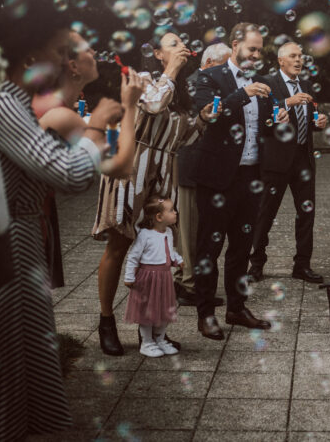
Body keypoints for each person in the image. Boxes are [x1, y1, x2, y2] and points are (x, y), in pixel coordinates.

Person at [0, 0, 119, 441]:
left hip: (15, 245)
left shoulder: (11, 102)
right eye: (57, 49)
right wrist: (99, 123)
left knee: (21, 359)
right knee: (4, 365)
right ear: (31, 55)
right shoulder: (4, 106)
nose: (64, 58)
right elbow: (68, 175)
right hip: (4, 250)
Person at [93, 32, 216, 356]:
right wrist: (172, 71)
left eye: (181, 42)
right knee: (118, 248)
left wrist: (201, 119)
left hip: (162, 178)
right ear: (158, 55)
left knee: (154, 255)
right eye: (172, 44)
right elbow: (152, 104)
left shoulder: (180, 92)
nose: (180, 48)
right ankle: (106, 322)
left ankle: (149, 331)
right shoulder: (145, 79)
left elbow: (183, 139)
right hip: (131, 171)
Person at [38, 30, 146, 287]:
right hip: (26, 220)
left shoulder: (51, 105)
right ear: (73, 66)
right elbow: (120, 166)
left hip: (33, 211)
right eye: (88, 49)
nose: (95, 53)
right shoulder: (59, 115)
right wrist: (130, 106)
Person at [190, 23, 274, 339]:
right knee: (208, 248)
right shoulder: (210, 77)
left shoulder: (262, 83)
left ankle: (237, 308)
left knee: (241, 247)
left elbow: (261, 128)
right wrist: (243, 93)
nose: (256, 55)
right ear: (235, 44)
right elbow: (209, 113)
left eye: (260, 50)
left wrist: (274, 120)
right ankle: (206, 314)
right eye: (252, 48)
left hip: (251, 177)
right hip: (216, 180)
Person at [250, 41, 327, 284]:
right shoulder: (268, 83)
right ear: (281, 61)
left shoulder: (304, 85)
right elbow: (262, 120)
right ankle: (255, 265)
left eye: (301, 56)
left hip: (303, 159)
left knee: (306, 213)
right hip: (276, 162)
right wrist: (286, 103)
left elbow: (309, 117)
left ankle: (302, 265)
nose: (299, 60)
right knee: (265, 214)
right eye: (293, 56)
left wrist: (319, 121)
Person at [174, 42, 231, 306]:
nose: (228, 70)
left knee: (193, 228)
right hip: (191, 165)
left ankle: (184, 279)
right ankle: (188, 285)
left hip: (203, 165)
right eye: (224, 64)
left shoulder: (207, 82)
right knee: (189, 229)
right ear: (209, 63)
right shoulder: (197, 84)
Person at [124, 197, 183, 357]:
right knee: (147, 312)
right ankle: (146, 342)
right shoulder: (145, 235)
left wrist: (177, 260)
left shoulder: (169, 232)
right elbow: (133, 257)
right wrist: (129, 276)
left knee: (164, 310)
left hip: (164, 278)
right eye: (171, 210)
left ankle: (160, 339)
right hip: (147, 279)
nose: (175, 212)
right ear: (159, 217)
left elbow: (169, 251)